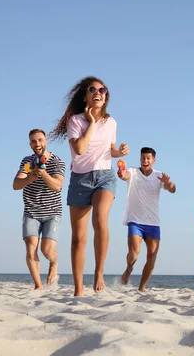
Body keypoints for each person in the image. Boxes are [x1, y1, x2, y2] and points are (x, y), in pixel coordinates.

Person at [49, 76, 129, 296]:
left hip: (105, 176)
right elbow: (81, 149)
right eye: (93, 89)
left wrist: (118, 153)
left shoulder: (111, 122)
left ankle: (99, 272)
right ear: (85, 95)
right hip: (80, 180)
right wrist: (91, 122)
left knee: (101, 220)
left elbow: (109, 149)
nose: (98, 93)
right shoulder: (75, 121)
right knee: (78, 238)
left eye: (102, 90)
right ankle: (77, 287)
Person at [12, 129, 66, 290]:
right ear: (30, 144)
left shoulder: (57, 162)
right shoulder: (27, 163)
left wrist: (43, 174)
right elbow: (16, 185)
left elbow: (58, 186)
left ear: (46, 141)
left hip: (52, 212)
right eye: (34, 141)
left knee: (47, 250)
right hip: (31, 212)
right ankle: (38, 286)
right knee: (30, 247)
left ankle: (54, 262)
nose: (37, 144)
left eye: (40, 140)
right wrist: (30, 177)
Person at [118, 147, 176, 291]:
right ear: (140, 159)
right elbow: (124, 175)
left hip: (153, 223)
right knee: (134, 253)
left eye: (148, 158)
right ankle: (129, 269)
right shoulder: (133, 171)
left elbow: (173, 189)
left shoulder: (159, 175)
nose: (145, 161)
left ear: (153, 160)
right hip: (135, 221)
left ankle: (142, 288)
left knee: (151, 257)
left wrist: (168, 183)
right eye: (143, 158)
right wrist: (121, 173)